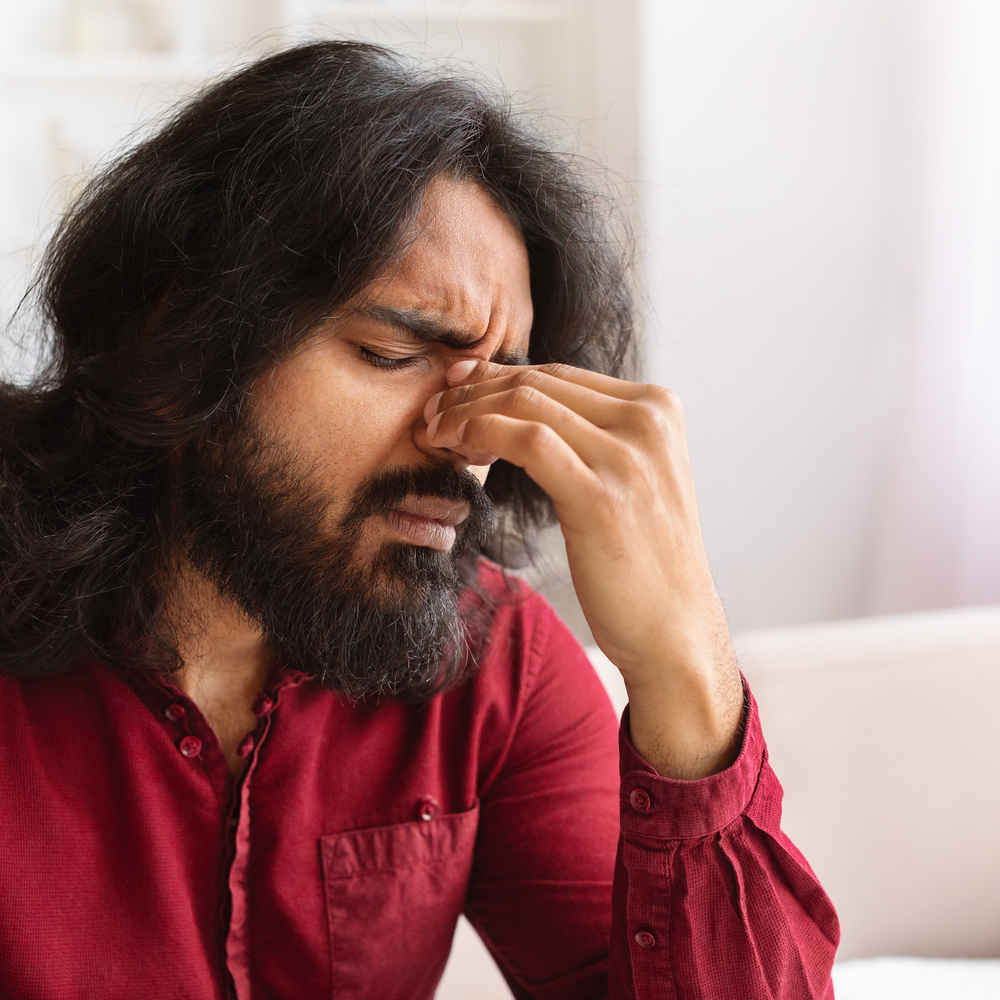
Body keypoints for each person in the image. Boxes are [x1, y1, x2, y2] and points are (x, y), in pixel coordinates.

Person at [0, 40, 839, 999]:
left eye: (504, 385)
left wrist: (684, 661)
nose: (461, 440)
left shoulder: (492, 661)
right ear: (179, 340)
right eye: (393, 353)